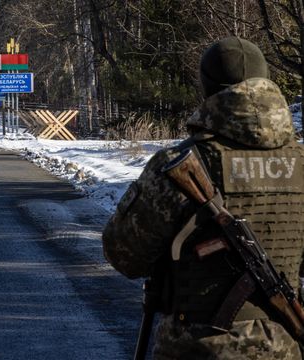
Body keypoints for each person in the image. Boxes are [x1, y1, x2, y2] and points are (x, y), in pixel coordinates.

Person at [102, 36, 304, 359]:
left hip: (193, 350)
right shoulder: (300, 165)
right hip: (283, 349)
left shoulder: (179, 164)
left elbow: (123, 253)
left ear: (207, 89)